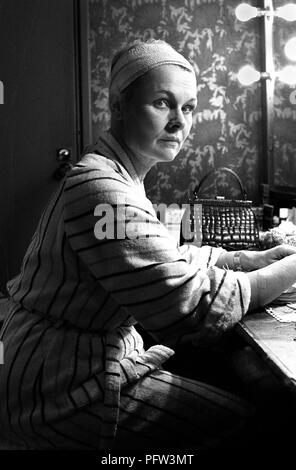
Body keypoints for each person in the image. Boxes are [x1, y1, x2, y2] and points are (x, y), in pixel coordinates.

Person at [1, 39, 296, 452]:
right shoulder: (100, 188)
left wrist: (246, 258)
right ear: (119, 106)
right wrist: (291, 268)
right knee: (251, 421)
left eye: (188, 107)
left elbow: (162, 252)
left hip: (62, 361)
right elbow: (190, 304)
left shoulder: (118, 175)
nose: (179, 122)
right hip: (60, 383)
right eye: (163, 103)